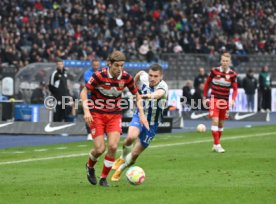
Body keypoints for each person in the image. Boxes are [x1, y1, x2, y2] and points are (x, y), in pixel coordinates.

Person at [80, 50, 149, 187]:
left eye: (122, 65)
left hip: (114, 115)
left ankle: (104, 178)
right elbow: (84, 91)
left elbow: (137, 94)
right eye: (116, 65)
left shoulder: (126, 78)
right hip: (97, 114)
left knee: (112, 146)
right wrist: (86, 111)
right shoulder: (99, 76)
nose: (119, 69)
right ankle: (90, 166)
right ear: (110, 64)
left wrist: (141, 113)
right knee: (99, 149)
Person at [111, 64, 168, 181]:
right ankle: (122, 157)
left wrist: (144, 96)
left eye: (155, 76)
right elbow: (140, 73)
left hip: (152, 124)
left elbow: (158, 95)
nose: (152, 78)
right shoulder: (144, 77)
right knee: (130, 137)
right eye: (151, 75)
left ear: (161, 76)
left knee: (135, 154)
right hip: (139, 116)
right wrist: (134, 86)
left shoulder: (163, 87)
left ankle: (120, 169)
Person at [203, 52, 238, 153]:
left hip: (225, 101)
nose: (225, 62)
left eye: (227, 61)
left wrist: (232, 100)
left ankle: (215, 144)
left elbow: (235, 90)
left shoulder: (233, 74)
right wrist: (205, 97)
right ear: (220, 61)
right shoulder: (214, 71)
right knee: (215, 120)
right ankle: (218, 145)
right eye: (223, 60)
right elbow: (207, 84)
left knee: (221, 124)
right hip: (214, 99)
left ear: (229, 62)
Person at [83, 59, 100, 140]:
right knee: (88, 115)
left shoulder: (101, 72)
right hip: (90, 97)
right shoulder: (87, 73)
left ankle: (99, 133)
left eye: (97, 65)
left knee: (100, 116)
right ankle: (89, 133)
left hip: (100, 97)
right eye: (94, 65)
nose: (96, 67)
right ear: (92, 65)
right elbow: (90, 82)